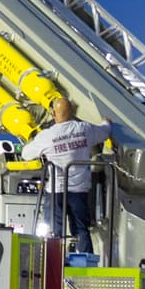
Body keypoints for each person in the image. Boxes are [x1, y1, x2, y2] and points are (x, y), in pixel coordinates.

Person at [21, 96, 112, 254]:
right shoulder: (84, 129)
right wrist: (106, 121)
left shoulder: (47, 136)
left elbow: (25, 154)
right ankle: (85, 266)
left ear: (54, 114)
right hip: (79, 190)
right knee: (81, 231)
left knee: (53, 232)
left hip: (56, 191)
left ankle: (51, 262)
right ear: (71, 112)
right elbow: (104, 132)